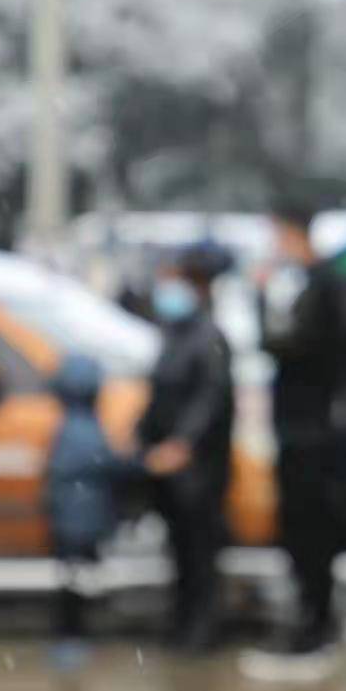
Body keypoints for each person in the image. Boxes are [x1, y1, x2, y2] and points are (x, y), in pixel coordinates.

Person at [243, 204, 346, 674]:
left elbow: (296, 346)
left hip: (312, 432)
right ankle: (310, 616)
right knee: (300, 528)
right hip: (302, 428)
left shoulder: (324, 284)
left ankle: (316, 622)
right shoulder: (316, 283)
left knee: (311, 529)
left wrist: (259, 306)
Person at [42, 352, 186, 669]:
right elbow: (108, 463)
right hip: (80, 521)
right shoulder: (82, 429)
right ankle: (71, 639)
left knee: (74, 579)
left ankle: (72, 637)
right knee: (77, 582)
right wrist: (150, 461)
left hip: (71, 518)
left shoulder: (72, 424)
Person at [134, 243, 235, 651]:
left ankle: (203, 629)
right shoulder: (174, 334)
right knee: (179, 549)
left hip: (199, 469)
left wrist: (183, 444)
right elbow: (161, 393)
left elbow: (211, 399)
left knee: (200, 551)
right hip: (170, 467)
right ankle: (182, 622)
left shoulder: (209, 337)